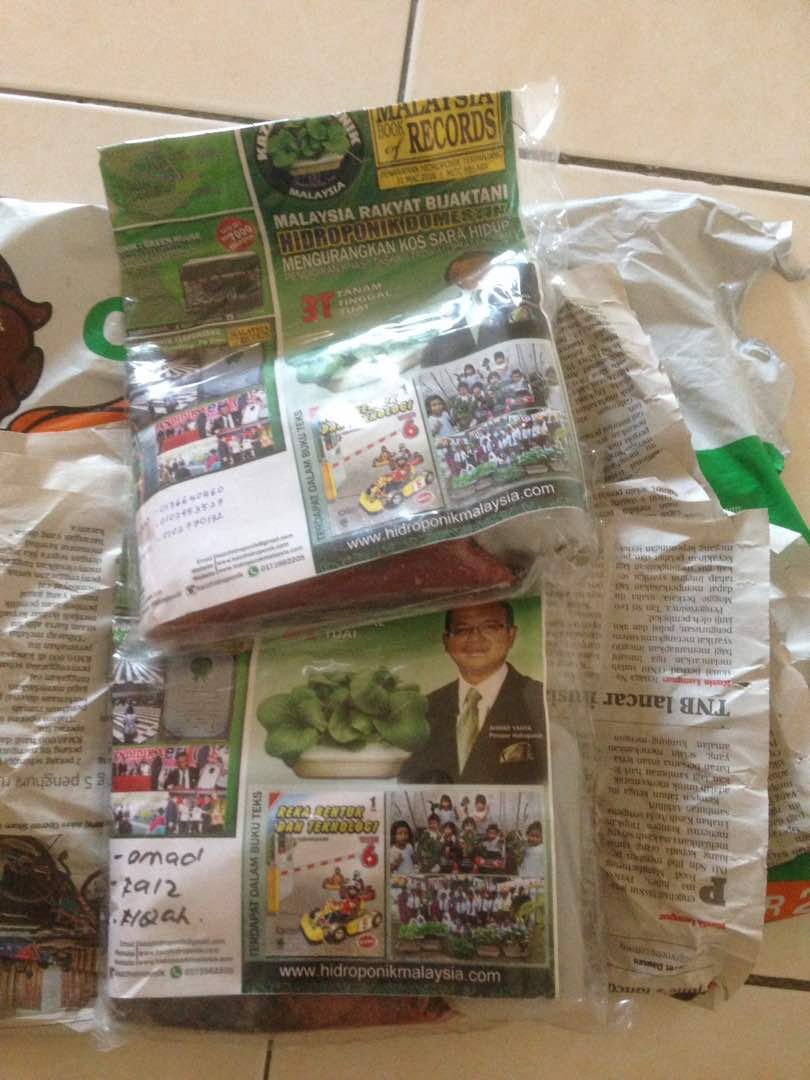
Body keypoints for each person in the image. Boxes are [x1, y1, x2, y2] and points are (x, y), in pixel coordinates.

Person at [398, 601, 546, 784]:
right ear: (446, 641)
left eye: (490, 627)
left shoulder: (540, 701)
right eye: (461, 630)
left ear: (511, 635)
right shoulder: (425, 709)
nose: (475, 638)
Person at [421, 253, 549, 367]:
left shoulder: (526, 275)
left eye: (471, 266)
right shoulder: (447, 334)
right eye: (458, 281)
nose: (466, 277)